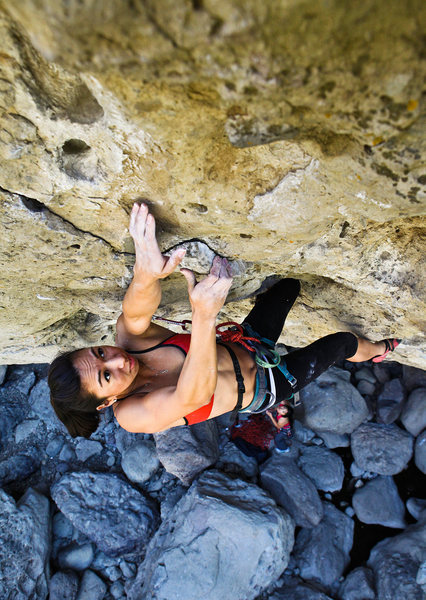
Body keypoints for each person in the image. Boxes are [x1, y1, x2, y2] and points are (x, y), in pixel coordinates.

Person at [48, 203, 401, 438]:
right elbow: (193, 395)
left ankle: (284, 401)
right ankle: (377, 351)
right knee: (342, 343)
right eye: (106, 375)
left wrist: (146, 273)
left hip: (247, 343)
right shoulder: (132, 415)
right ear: (107, 402)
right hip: (268, 385)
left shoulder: (129, 342)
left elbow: (135, 311)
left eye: (99, 352)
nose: (115, 359)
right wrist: (203, 315)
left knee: (288, 288)